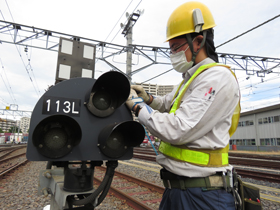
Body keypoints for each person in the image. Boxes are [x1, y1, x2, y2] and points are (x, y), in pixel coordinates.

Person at [126, 1, 241, 210]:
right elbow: (168, 103)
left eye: (176, 47)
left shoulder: (217, 77)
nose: (172, 54)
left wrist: (137, 107)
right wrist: (149, 98)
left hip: (203, 196)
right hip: (180, 189)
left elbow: (178, 128)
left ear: (198, 41)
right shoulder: (192, 79)